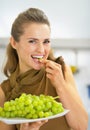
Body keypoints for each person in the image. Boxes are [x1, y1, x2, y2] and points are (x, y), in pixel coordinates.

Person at [0, 7, 88, 130]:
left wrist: (61, 86)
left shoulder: (62, 71)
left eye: (46, 41)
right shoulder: (4, 91)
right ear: (14, 43)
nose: (41, 50)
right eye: (32, 41)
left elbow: (82, 126)